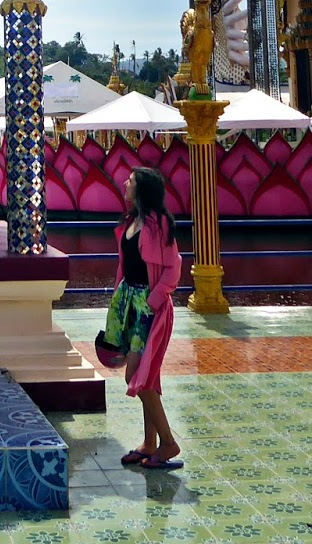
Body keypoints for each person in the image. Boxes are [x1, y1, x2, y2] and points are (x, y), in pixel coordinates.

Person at [108, 166, 183, 470]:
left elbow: (173, 268)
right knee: (147, 377)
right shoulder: (132, 221)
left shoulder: (158, 223)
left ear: (141, 189)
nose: (125, 183)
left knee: (136, 376)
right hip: (130, 304)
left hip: (150, 308)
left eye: (130, 180)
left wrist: (153, 301)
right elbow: (125, 266)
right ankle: (150, 443)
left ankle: (168, 442)